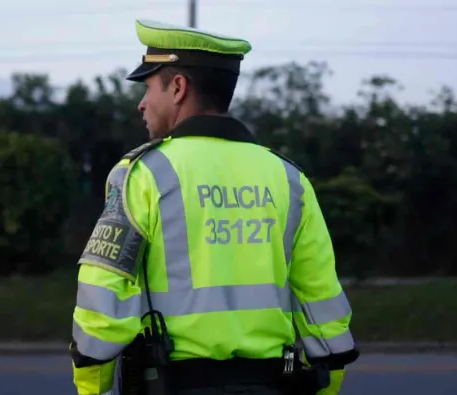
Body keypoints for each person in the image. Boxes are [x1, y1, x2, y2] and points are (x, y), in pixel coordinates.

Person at [69, 19, 359, 395]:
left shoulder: (142, 175)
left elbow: (101, 307)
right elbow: (322, 304)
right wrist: (327, 385)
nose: (141, 104)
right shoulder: (290, 180)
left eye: (147, 88)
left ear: (177, 88)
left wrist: (92, 389)